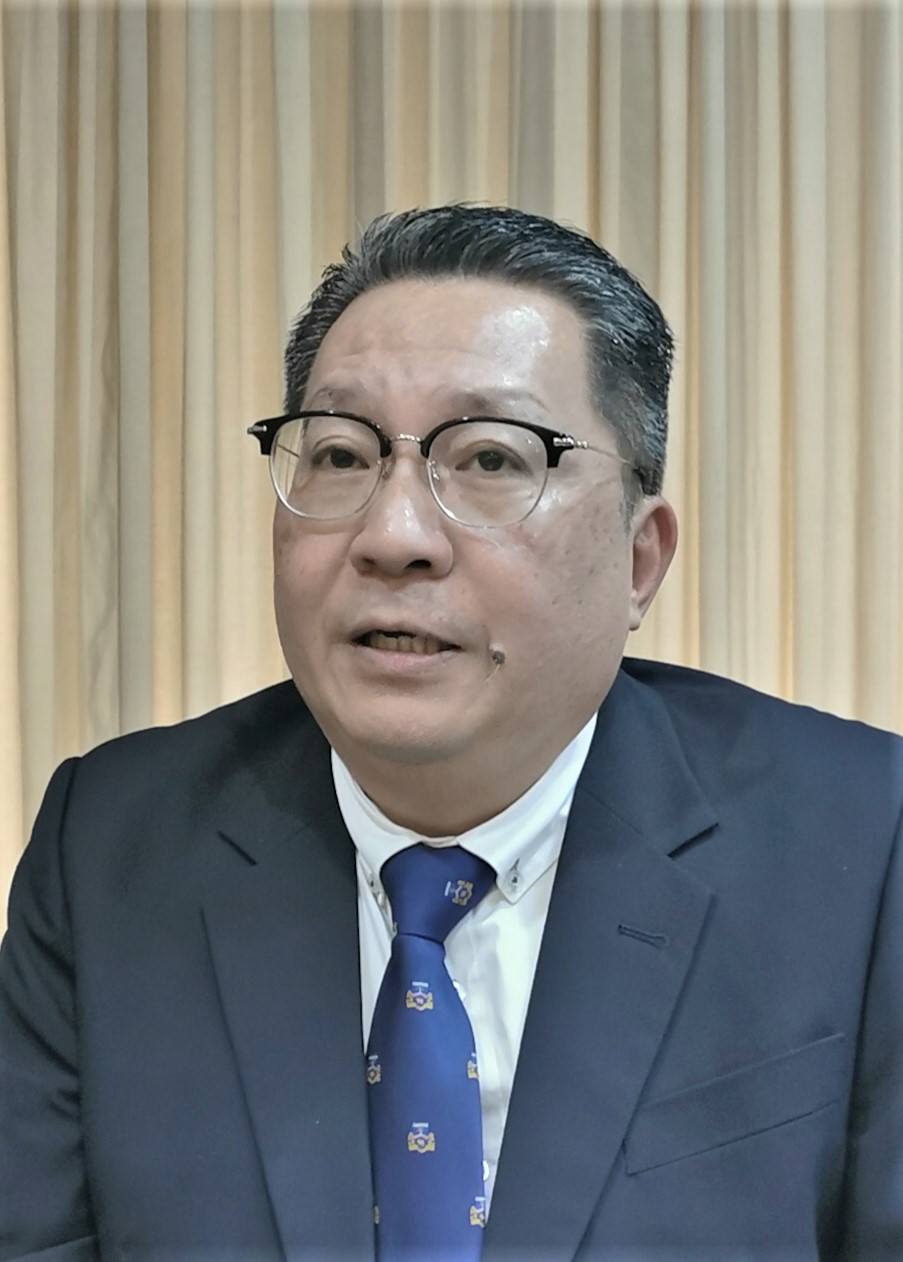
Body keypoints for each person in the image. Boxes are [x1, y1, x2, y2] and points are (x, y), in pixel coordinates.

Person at [1, 204, 900, 1262]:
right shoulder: (110, 847)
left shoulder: (863, 847)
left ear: (639, 561)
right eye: (341, 454)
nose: (392, 535)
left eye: (490, 459)